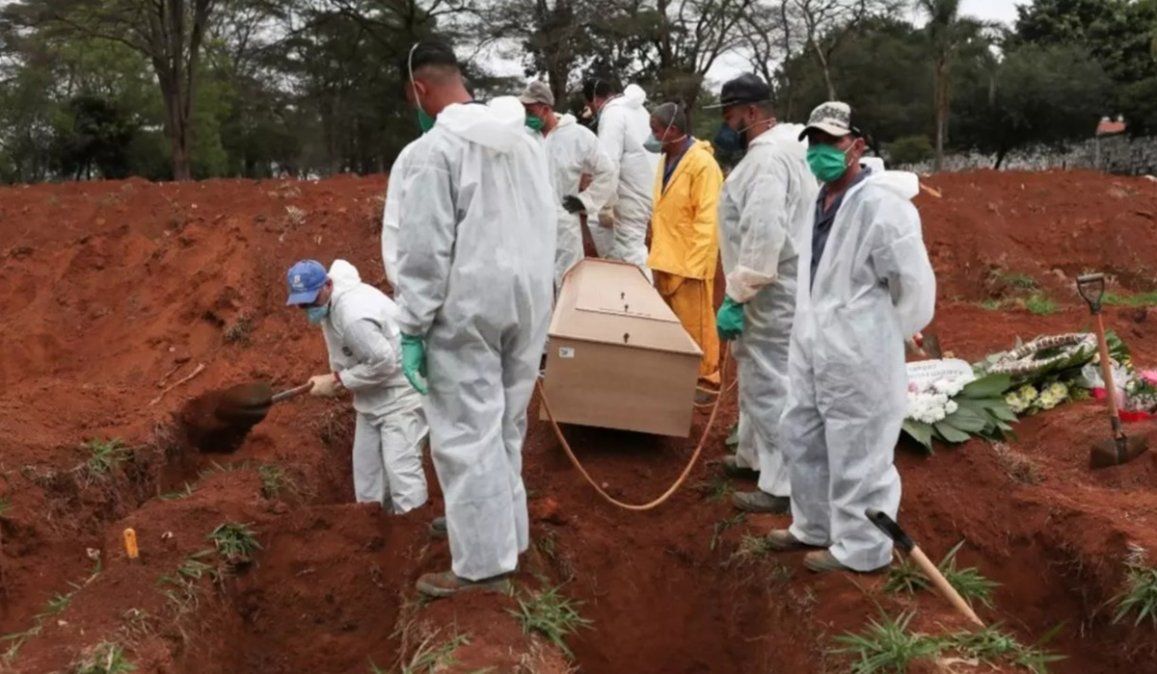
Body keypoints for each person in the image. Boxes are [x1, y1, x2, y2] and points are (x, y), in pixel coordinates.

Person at [391, 40, 555, 597]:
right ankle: (508, 534)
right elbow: (549, 225)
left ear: (420, 89)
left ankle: (484, 567)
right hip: (528, 302)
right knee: (507, 423)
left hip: (467, 308)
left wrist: (412, 326)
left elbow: (424, 251)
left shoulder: (433, 152)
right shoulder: (527, 144)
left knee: (466, 434)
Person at [769, 102, 936, 573]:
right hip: (813, 340)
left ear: (857, 145)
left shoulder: (883, 207)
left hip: (860, 347)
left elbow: (913, 285)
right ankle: (814, 526)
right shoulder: (818, 200)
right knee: (801, 431)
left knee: (857, 444)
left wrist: (884, 331)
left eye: (831, 142)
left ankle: (863, 549)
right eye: (814, 142)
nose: (821, 151)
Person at [709, 74, 818, 513]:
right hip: (781, 284)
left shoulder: (768, 161)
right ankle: (753, 456)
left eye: (731, 116)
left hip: (768, 290)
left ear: (751, 113)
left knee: (769, 382)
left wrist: (738, 294)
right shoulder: (786, 149)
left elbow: (763, 233)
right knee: (759, 375)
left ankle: (782, 484)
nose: (727, 125)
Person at [285, 259, 429, 513]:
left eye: (310, 299)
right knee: (367, 474)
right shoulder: (330, 303)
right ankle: (372, 534)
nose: (306, 307)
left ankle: (413, 537)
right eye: (301, 302)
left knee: (401, 471)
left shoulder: (353, 317)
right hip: (371, 399)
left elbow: (384, 363)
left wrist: (339, 381)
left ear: (327, 285)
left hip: (400, 396)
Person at [647, 101, 724, 391]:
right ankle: (678, 374)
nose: (652, 137)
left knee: (697, 326)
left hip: (690, 261)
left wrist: (698, 265)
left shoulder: (703, 165)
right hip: (665, 256)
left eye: (656, 131)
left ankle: (707, 379)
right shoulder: (665, 160)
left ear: (673, 130)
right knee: (672, 324)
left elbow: (709, 218)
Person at [520, 81, 618, 288]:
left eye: (530, 110)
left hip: (564, 225)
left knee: (568, 283)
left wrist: (585, 201)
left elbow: (607, 170)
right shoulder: (523, 137)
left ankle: (566, 321)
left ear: (545, 109)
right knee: (535, 285)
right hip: (531, 224)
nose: (525, 115)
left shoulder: (578, 136)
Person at [582, 78, 655, 277]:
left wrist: (605, 205)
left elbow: (608, 163)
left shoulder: (612, 114)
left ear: (595, 101)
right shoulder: (637, 109)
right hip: (650, 189)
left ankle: (638, 299)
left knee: (629, 252)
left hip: (631, 195)